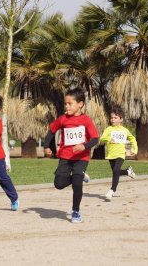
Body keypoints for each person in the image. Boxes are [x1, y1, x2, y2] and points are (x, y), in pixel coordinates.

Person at [44, 87, 99, 223]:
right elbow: (51, 130)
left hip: (81, 157)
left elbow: (95, 139)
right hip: (65, 156)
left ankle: (76, 211)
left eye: (70, 103)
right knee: (59, 184)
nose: (66, 106)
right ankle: (79, 176)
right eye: (65, 103)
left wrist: (84, 146)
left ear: (80, 104)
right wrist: (46, 146)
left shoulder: (86, 120)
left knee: (76, 183)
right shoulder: (63, 119)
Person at [99, 106, 137, 200]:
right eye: (111, 118)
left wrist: (134, 149)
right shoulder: (109, 129)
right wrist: (108, 139)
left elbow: (132, 139)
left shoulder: (125, 130)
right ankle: (128, 171)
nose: (113, 120)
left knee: (116, 171)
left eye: (115, 118)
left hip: (120, 154)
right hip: (111, 155)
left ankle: (112, 191)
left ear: (121, 119)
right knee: (116, 172)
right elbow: (102, 138)